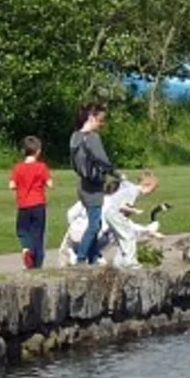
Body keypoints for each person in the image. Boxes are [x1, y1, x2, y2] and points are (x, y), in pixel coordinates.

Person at [69, 103, 117, 266]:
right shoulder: (92, 138)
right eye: (100, 120)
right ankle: (82, 257)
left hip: (82, 185)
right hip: (93, 187)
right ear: (91, 118)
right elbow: (102, 159)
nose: (101, 124)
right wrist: (117, 174)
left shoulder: (75, 136)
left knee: (94, 222)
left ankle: (93, 256)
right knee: (94, 225)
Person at [8, 135, 53, 269]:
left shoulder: (18, 168)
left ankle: (26, 248)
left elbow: (11, 185)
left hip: (23, 205)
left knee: (22, 230)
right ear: (38, 151)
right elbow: (50, 184)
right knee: (38, 233)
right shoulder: (42, 167)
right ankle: (37, 263)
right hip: (38, 203)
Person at [102, 170, 159, 268]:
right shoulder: (134, 191)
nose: (151, 193)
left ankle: (119, 262)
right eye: (152, 190)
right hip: (115, 215)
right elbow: (122, 205)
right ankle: (130, 262)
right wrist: (134, 211)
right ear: (147, 185)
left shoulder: (132, 188)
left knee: (122, 237)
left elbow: (124, 182)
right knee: (129, 236)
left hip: (110, 214)